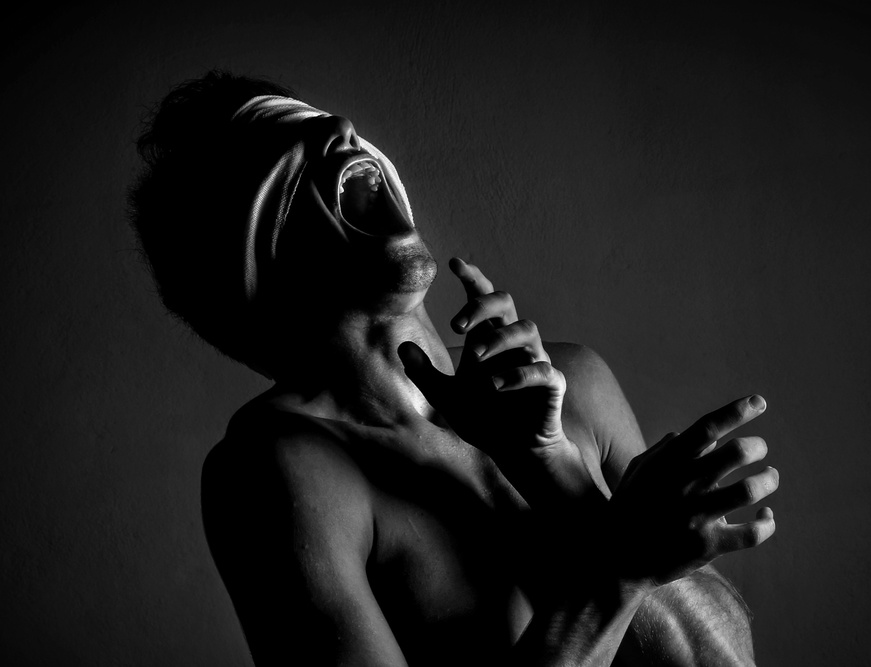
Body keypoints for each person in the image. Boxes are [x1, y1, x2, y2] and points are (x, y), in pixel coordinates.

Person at [129, 70, 779, 666]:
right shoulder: (279, 473)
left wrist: (551, 466)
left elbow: (721, 663)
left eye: (317, 121)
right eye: (279, 149)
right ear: (243, 262)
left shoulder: (575, 384)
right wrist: (618, 572)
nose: (339, 129)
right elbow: (627, 568)